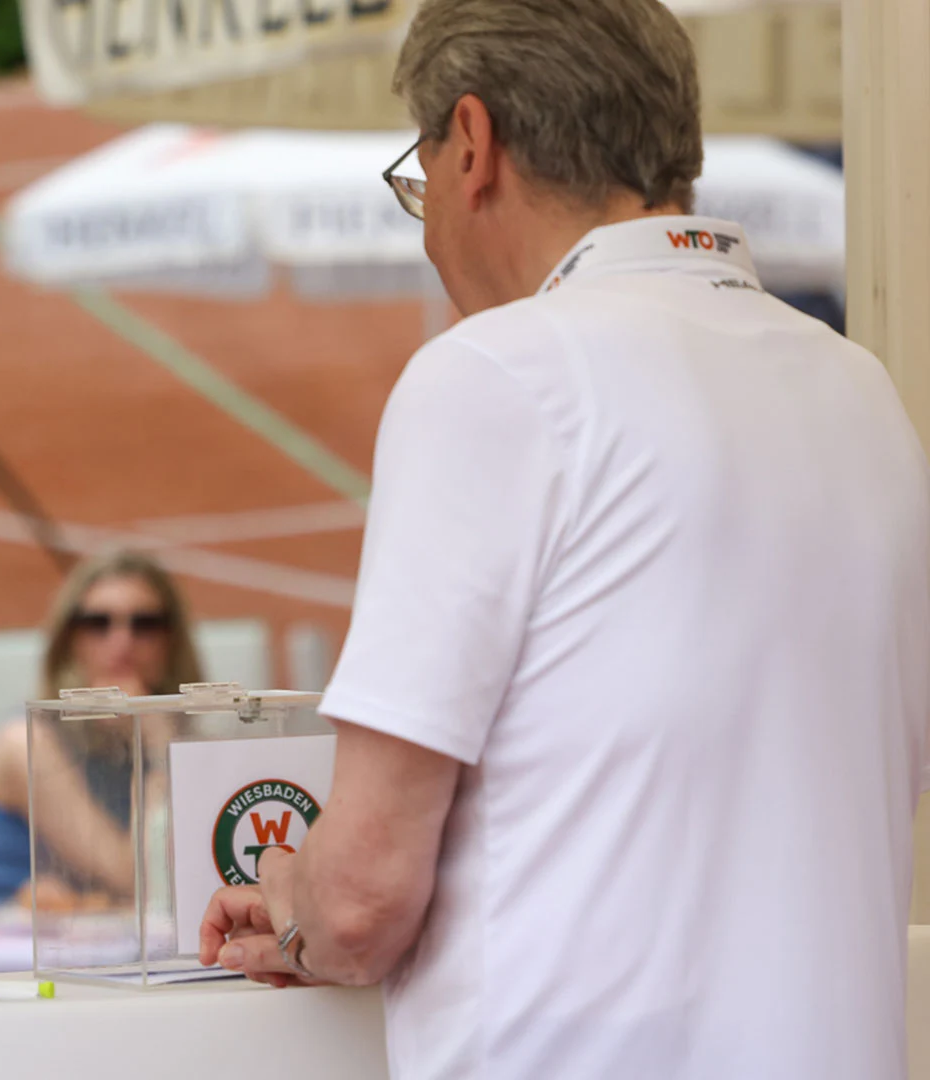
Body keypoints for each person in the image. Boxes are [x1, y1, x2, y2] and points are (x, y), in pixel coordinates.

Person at [198, 2, 930, 1078]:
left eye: (421, 178)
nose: (429, 219)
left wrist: (294, 901)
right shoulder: (861, 391)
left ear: (473, 144)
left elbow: (360, 900)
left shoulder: (494, 374)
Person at [0, 549, 204, 907]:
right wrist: (156, 742)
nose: (121, 642)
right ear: (69, 639)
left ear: (172, 641)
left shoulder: (176, 734)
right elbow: (135, 882)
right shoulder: (25, 743)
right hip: (5, 949)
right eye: (97, 623)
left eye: (145, 624)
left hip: (104, 943)